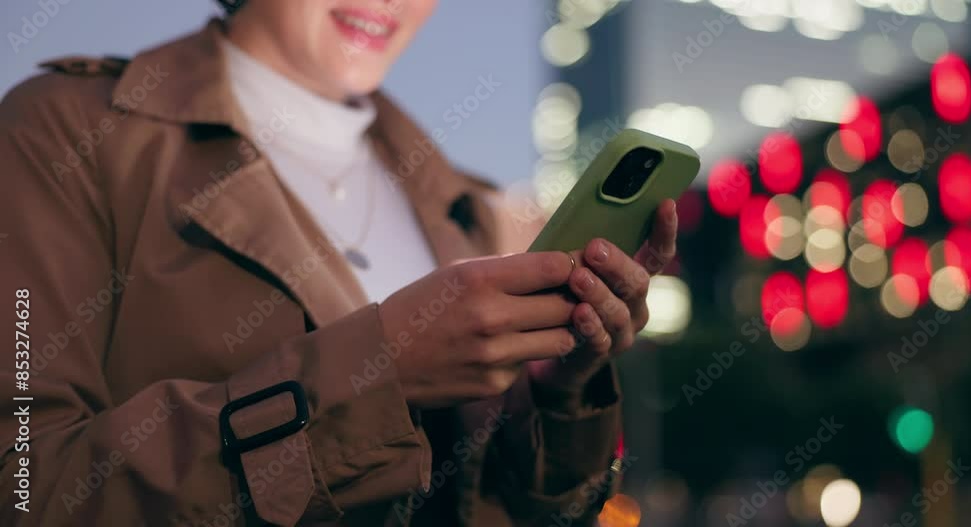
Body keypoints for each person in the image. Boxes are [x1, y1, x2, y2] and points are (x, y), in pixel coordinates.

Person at [0, 1, 679, 525]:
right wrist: (376, 369)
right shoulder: (65, 134)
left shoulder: (469, 208)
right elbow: (23, 486)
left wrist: (557, 391)